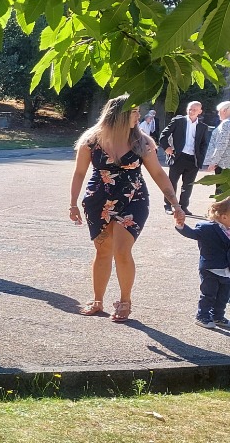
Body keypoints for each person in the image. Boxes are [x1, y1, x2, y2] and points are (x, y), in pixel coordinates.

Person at [69, 95, 184, 323]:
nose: (138, 116)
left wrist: (175, 203)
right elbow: (80, 173)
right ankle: (98, 300)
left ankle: (125, 300)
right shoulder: (91, 141)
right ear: (120, 114)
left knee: (122, 251)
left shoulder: (142, 142)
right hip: (98, 202)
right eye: (134, 112)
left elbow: (158, 174)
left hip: (134, 199)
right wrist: (72, 203)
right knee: (102, 252)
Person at [175, 196, 230, 329]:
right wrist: (181, 225)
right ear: (224, 217)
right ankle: (202, 316)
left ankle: (218, 316)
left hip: (227, 270)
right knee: (208, 295)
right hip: (211, 268)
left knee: (223, 296)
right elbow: (193, 234)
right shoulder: (207, 228)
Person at [159, 101, 210, 216]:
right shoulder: (178, 121)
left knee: (188, 185)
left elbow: (204, 144)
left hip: (193, 160)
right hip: (178, 157)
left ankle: (183, 207)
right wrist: (167, 148)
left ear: (200, 112)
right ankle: (168, 205)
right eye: (190, 109)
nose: (191, 111)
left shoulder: (203, 127)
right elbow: (163, 135)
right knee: (171, 183)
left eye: (195, 110)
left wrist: (200, 157)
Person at [204, 101, 230, 174]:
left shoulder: (226, 123)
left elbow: (221, 145)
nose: (218, 114)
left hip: (224, 165)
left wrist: (213, 162)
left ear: (224, 110)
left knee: (221, 185)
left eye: (219, 111)